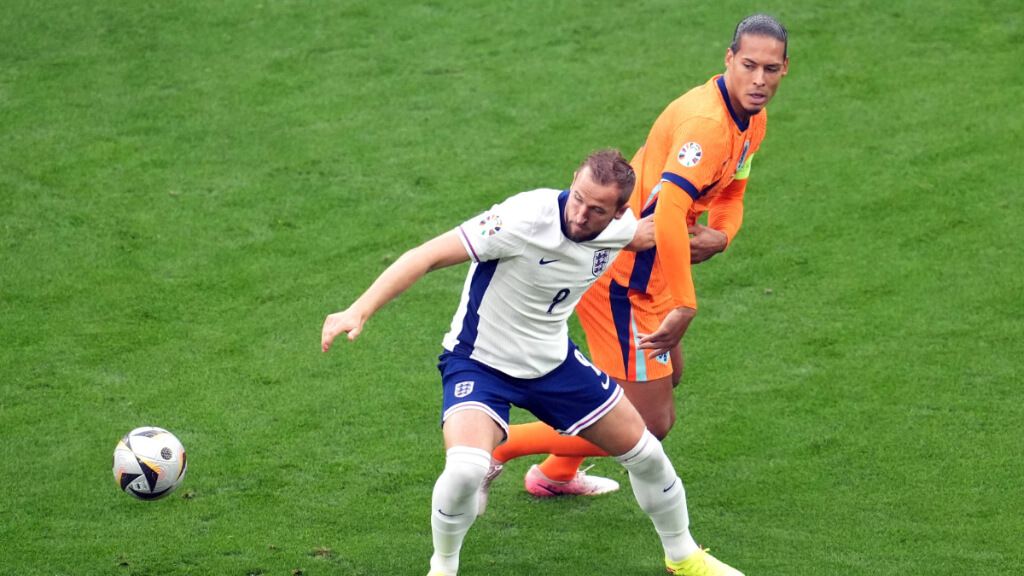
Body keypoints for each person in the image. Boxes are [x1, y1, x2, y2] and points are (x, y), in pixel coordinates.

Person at [321, 149, 743, 576]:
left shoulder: (621, 229)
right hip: (480, 364)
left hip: (552, 364)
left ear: (618, 212)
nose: (580, 215)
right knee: (466, 470)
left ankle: (684, 558)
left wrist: (712, 239)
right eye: (578, 198)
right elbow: (425, 256)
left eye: (597, 210)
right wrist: (359, 309)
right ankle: (443, 568)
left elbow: (649, 232)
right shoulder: (521, 219)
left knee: (647, 452)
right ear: (572, 182)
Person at [485, 13, 790, 498]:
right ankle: (500, 447)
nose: (759, 80)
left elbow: (733, 190)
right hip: (623, 278)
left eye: (770, 69)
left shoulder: (753, 118)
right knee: (650, 421)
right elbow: (668, 213)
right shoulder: (706, 126)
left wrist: (723, 234)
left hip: (653, 272)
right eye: (749, 65)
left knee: (668, 379)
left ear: (784, 69)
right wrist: (686, 304)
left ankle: (555, 474)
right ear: (729, 59)